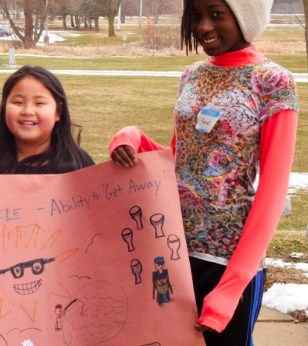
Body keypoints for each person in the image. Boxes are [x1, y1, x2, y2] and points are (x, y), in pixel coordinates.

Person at [109, 0, 298, 344]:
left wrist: (230, 289)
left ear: (246, 15)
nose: (203, 27)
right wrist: (132, 137)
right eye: (196, 16)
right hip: (172, 251)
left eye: (217, 14)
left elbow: (273, 191)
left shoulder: (274, 82)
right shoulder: (191, 75)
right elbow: (181, 161)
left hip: (228, 262)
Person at [0, 66, 94, 179]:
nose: (28, 111)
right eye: (18, 102)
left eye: (39, 103)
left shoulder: (79, 165)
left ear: (58, 112)